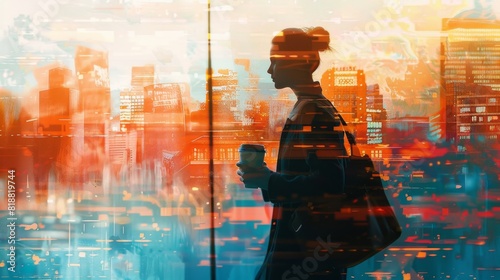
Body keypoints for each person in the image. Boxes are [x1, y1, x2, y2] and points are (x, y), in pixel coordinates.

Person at [237, 27, 349, 280]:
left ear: (296, 64)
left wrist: (268, 181)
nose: (269, 70)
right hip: (304, 245)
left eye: (274, 62)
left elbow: (330, 183)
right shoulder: (310, 108)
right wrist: (267, 179)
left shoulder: (314, 113)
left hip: (304, 249)